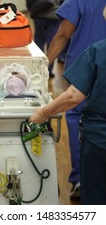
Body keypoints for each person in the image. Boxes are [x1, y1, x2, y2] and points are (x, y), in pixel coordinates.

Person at [46, 0, 106, 200]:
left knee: (78, 119)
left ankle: (81, 179)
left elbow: (62, 35)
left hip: (83, 72)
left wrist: (44, 64)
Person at [29, 38, 106, 205]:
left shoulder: (98, 51)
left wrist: (43, 113)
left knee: (97, 196)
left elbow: (73, 96)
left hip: (99, 140)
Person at [26, 0, 66, 78]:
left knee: (38, 41)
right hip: (55, 17)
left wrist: (33, 9)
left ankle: (37, 69)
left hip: (39, 17)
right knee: (52, 43)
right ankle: (48, 70)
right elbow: (64, 1)